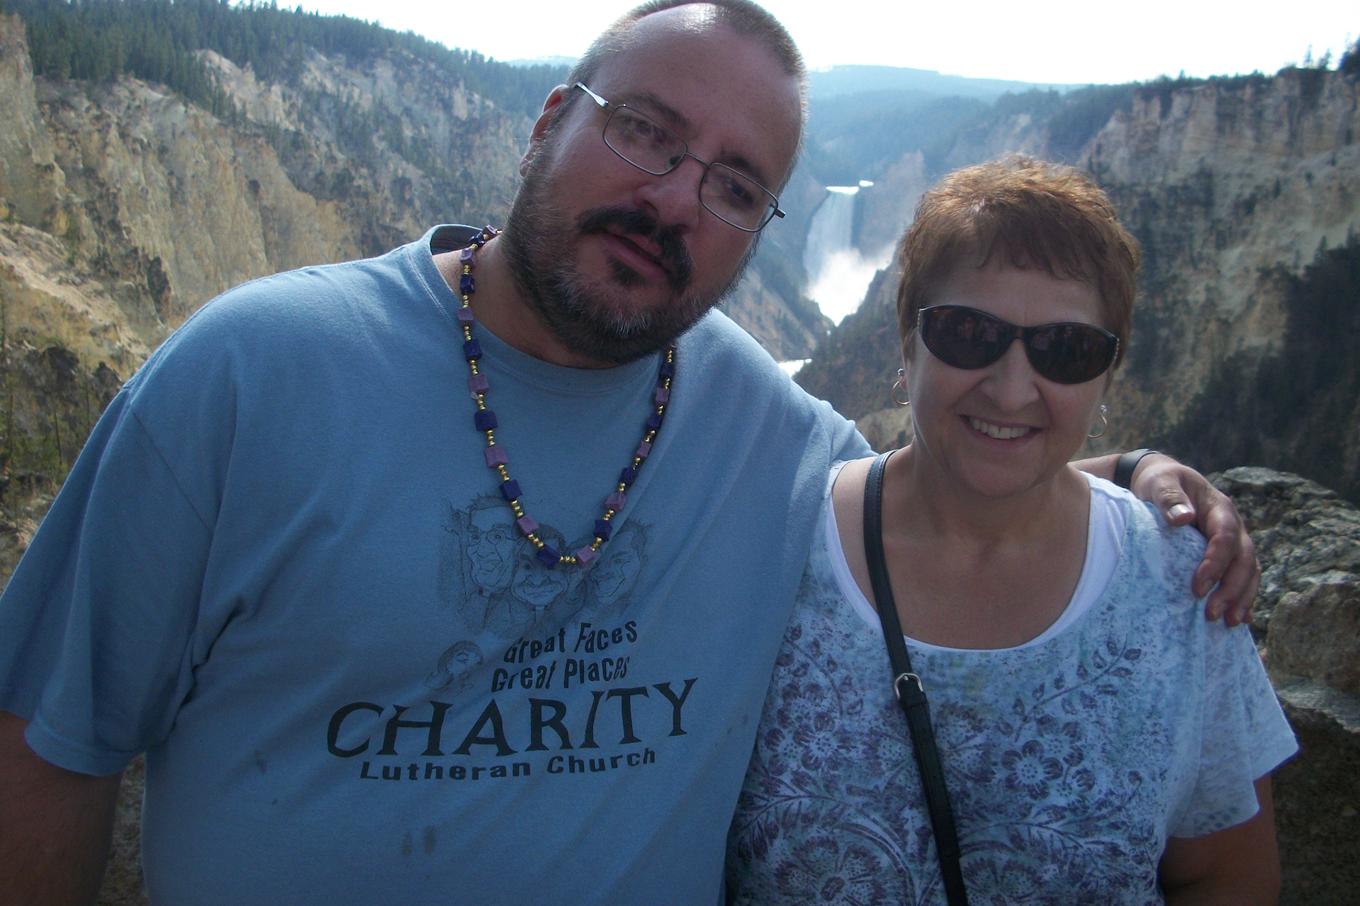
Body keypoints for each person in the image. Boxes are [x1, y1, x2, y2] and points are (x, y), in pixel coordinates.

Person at [0, 3, 1259, 903]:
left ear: (757, 230)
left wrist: (1133, 479)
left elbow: (952, 475)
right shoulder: (248, 374)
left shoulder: (769, 435)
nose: (672, 200)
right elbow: (48, 746)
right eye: (645, 133)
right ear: (550, 118)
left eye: (733, 187)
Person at [725, 157, 1296, 904]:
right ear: (906, 343)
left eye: (1066, 350)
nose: (1012, 388)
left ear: (1107, 376)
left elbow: (1227, 877)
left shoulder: (1182, 585)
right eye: (968, 334)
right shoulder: (774, 546)